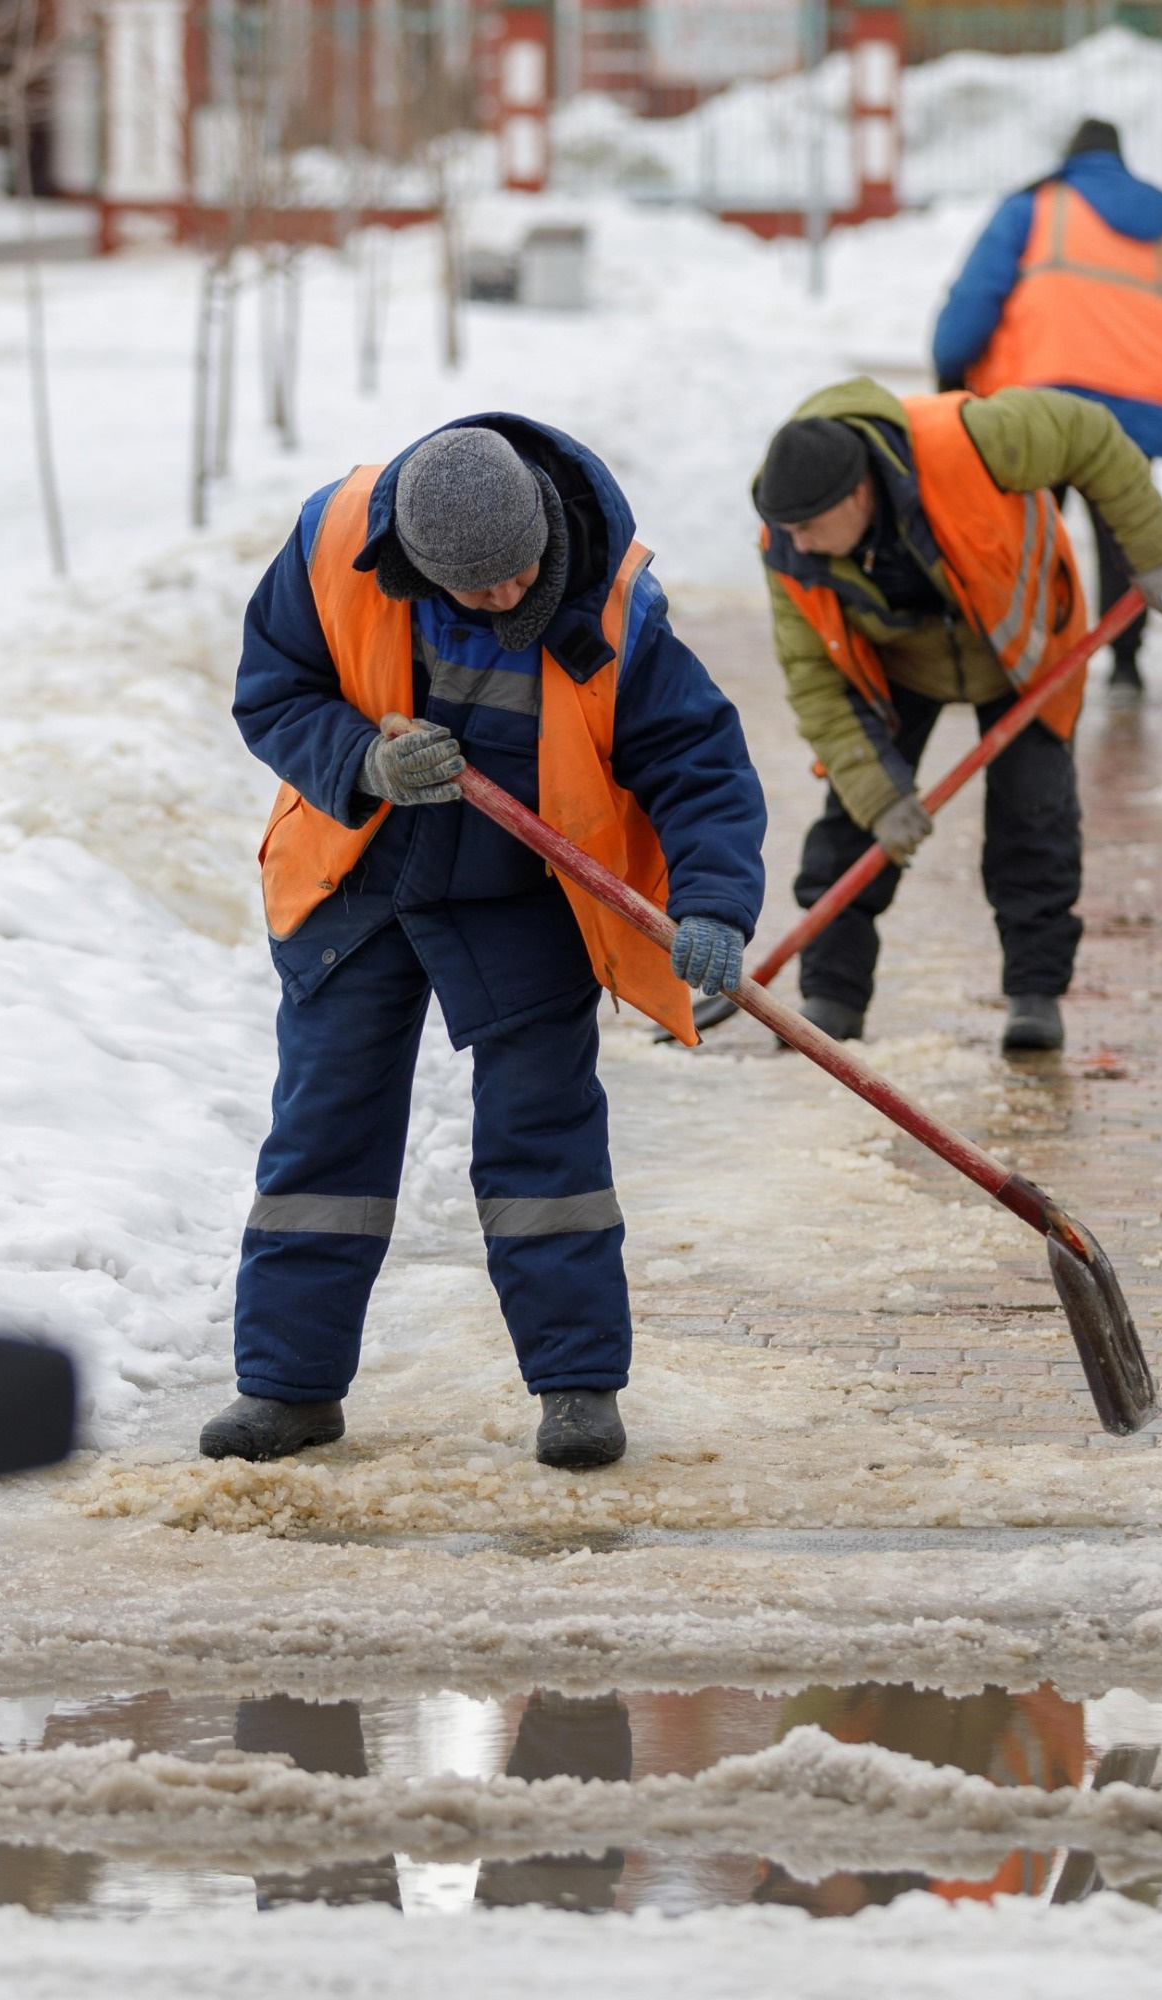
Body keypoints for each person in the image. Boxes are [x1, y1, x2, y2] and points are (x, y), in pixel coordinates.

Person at [212, 417, 767, 1472]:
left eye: (518, 577)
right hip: (359, 872)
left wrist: (715, 903)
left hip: (524, 890)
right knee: (324, 1132)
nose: (506, 598)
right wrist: (359, 763)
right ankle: (285, 1388)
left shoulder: (615, 606)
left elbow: (701, 762)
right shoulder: (332, 540)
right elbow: (273, 689)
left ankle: (577, 1387)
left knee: (541, 1136)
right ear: (411, 564)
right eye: (475, 589)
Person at [753, 380, 1162, 1054]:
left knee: (1033, 814)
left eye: (810, 528)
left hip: (1023, 649)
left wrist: (1148, 545)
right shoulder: (788, 543)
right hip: (899, 662)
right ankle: (832, 994)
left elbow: (1092, 435)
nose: (799, 544)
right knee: (854, 821)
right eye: (790, 531)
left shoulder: (973, 439)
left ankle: (1034, 996)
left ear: (856, 494)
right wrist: (881, 794)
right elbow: (816, 682)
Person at [931, 117, 1162, 694]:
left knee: (1030, 525)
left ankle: (1021, 653)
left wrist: (951, 372)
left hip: (1040, 396)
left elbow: (975, 295)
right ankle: (1124, 662)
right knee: (1120, 526)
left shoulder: (1034, 207)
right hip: (1136, 406)